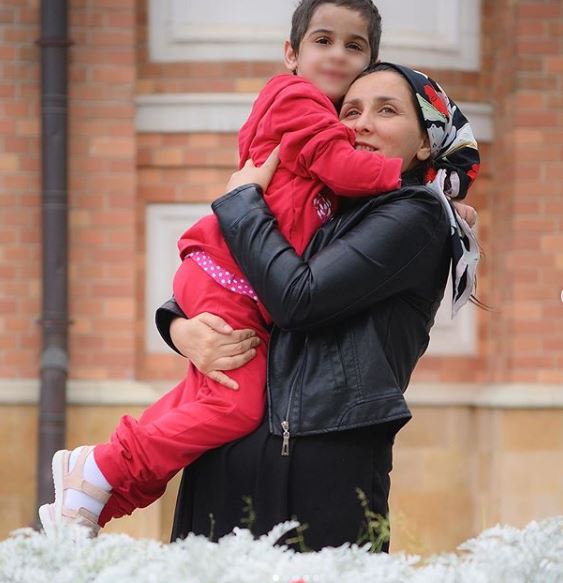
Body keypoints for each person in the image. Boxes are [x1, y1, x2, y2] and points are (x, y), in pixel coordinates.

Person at [37, 0, 419, 536]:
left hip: (234, 284)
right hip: (229, 275)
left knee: (205, 396)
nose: (337, 54)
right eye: (323, 40)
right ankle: (99, 470)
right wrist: (415, 178)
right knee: (232, 407)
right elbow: (336, 167)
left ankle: (94, 488)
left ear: (370, 62)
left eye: (353, 46)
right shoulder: (298, 101)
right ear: (291, 54)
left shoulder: (372, 180)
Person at [156, 62, 480, 551]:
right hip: (223, 457)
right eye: (350, 111)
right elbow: (228, 275)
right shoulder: (316, 203)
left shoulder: (417, 213)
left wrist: (242, 201)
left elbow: (298, 298)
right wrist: (179, 326)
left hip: (316, 481)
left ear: (423, 142)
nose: (362, 123)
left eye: (386, 110)